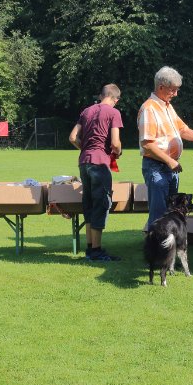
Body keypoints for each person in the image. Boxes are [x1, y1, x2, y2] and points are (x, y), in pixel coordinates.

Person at [138, 66, 193, 231]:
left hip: (169, 168)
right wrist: (169, 161)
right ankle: (155, 245)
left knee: (170, 214)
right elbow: (147, 144)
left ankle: (166, 244)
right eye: (173, 90)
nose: (176, 94)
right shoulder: (149, 108)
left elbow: (183, 130)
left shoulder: (167, 106)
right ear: (161, 87)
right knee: (159, 215)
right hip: (157, 167)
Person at [69, 83, 123, 262]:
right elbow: (115, 143)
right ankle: (97, 252)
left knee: (89, 205)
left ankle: (90, 249)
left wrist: (85, 148)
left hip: (84, 161)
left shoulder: (86, 111)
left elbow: (72, 137)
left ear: (101, 96)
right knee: (101, 204)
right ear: (115, 99)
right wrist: (118, 152)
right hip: (100, 162)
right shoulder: (114, 113)